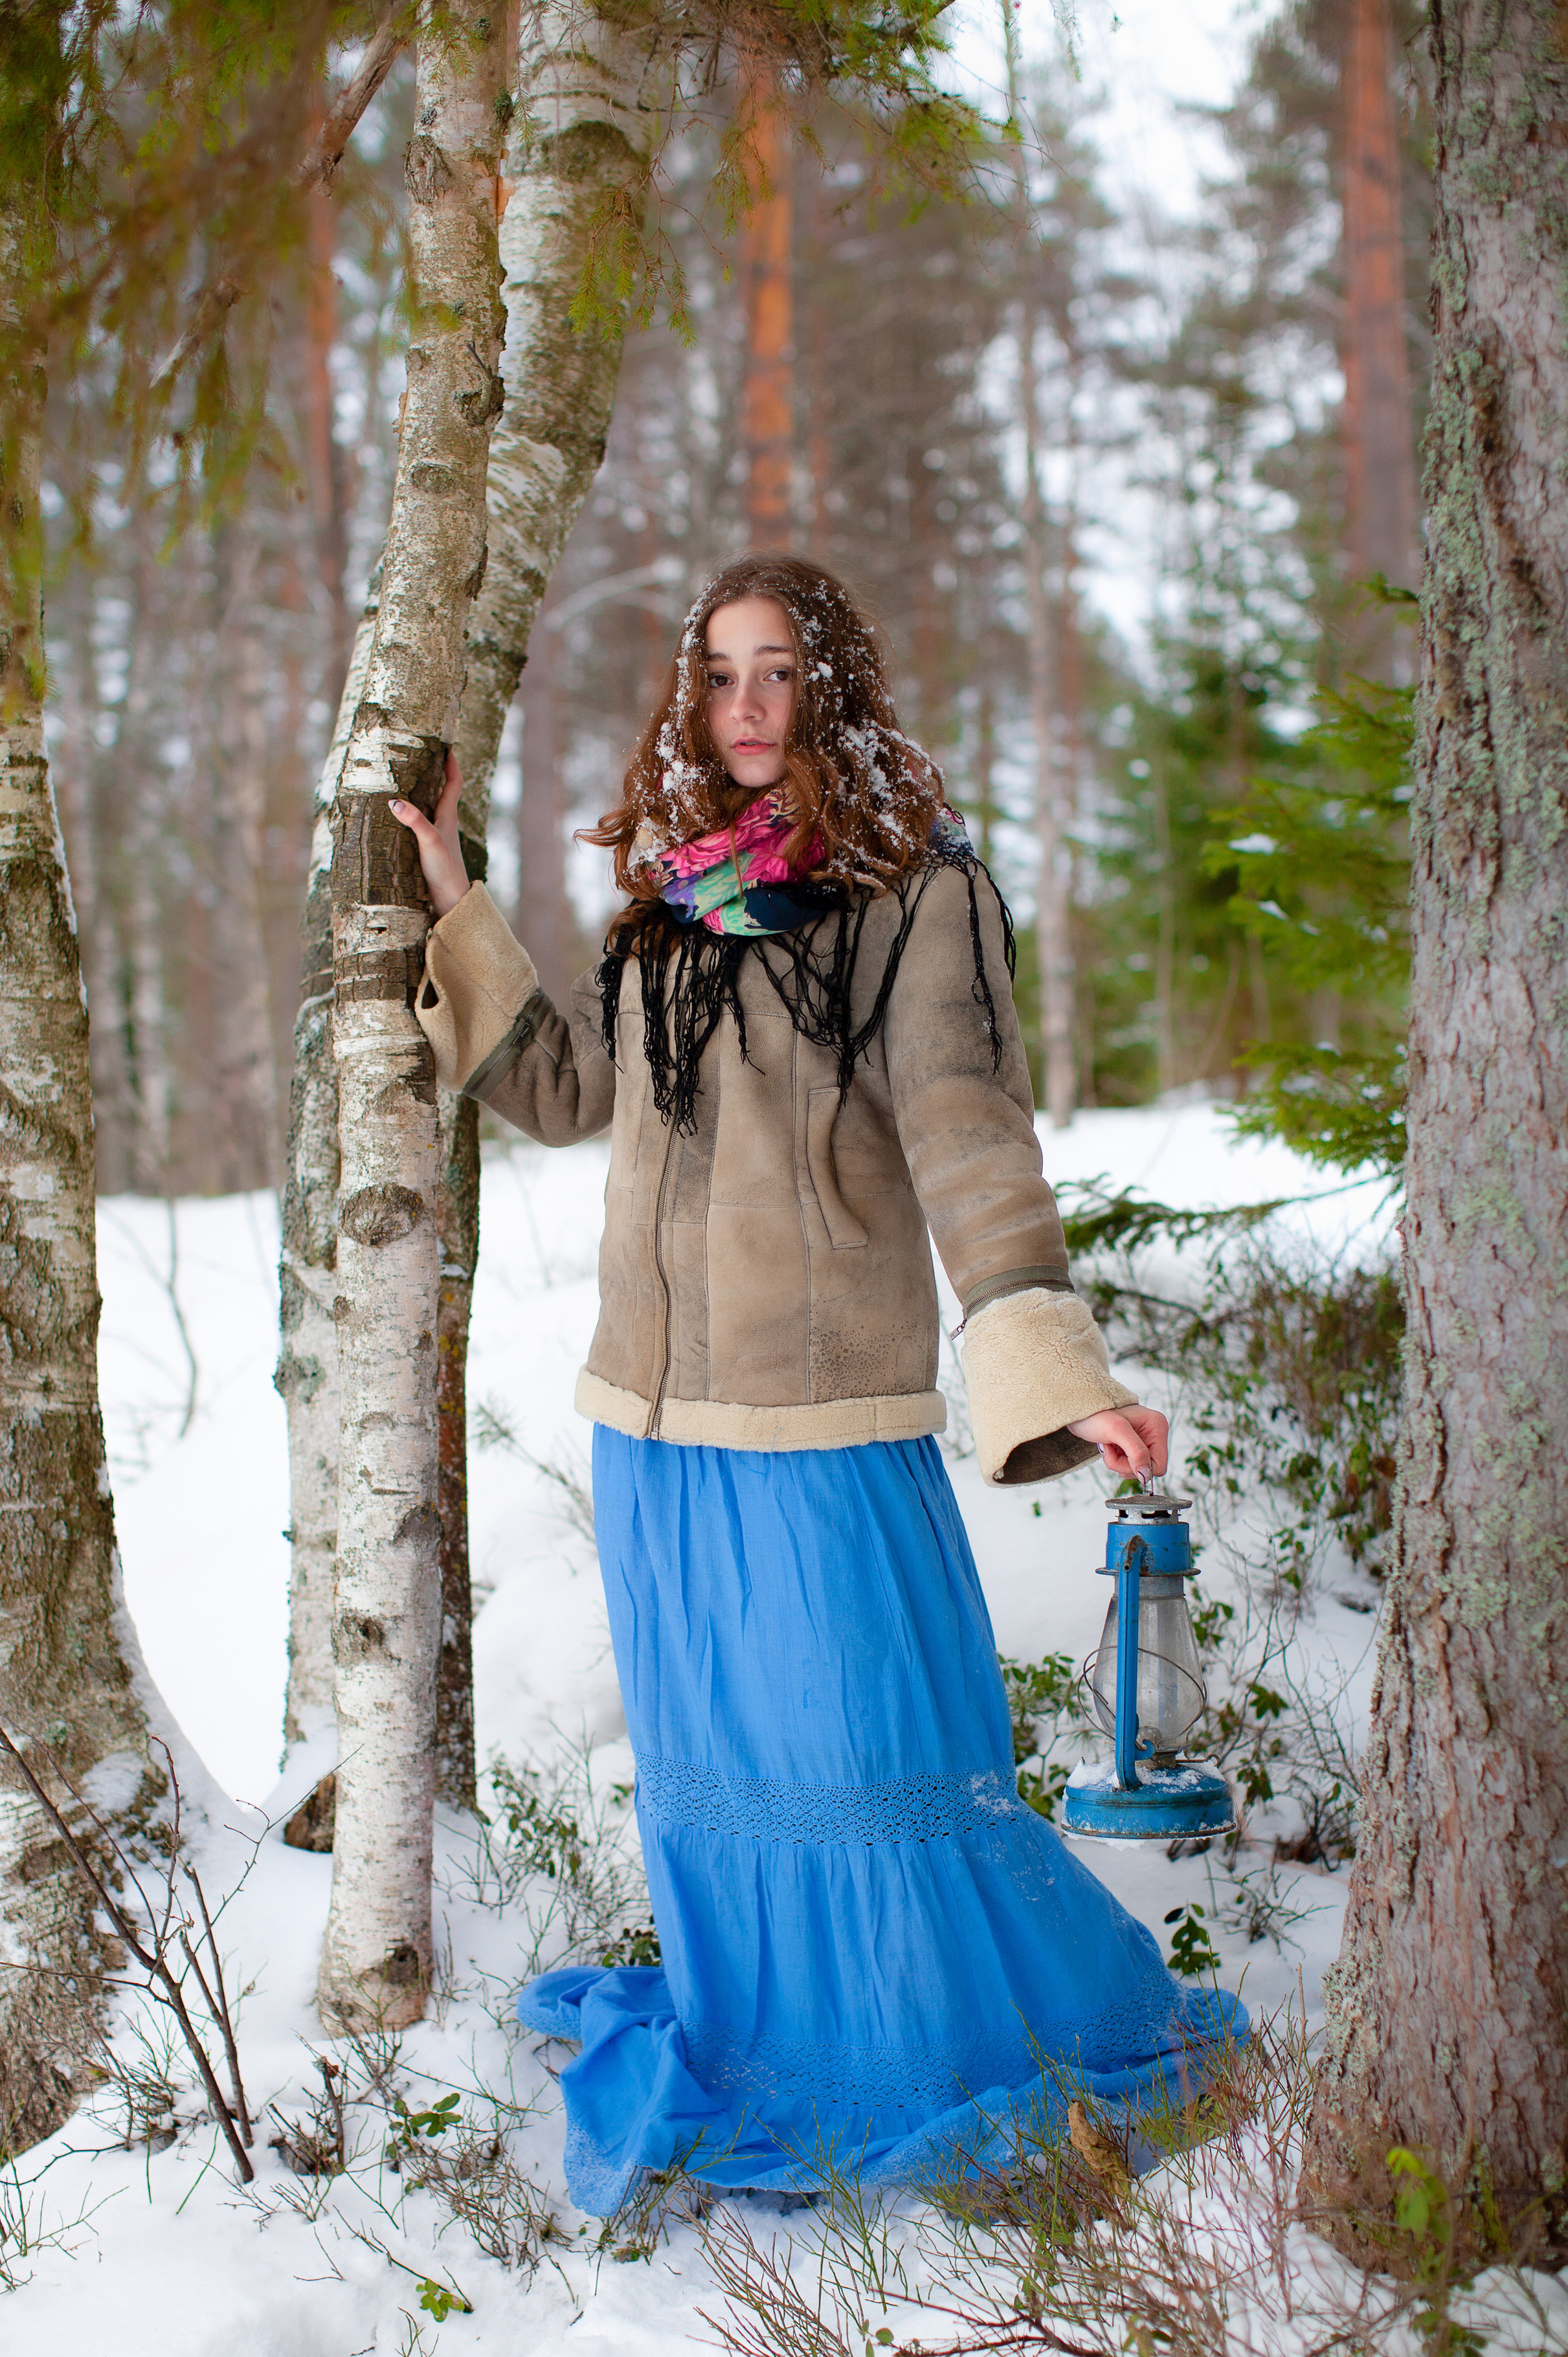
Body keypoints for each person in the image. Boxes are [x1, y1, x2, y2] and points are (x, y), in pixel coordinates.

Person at [395, 555, 1247, 2217]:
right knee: (718, 1779)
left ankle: (916, 2052)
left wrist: (1049, 1368)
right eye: (717, 676)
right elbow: (572, 1093)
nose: (747, 709)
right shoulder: (669, 897)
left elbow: (967, 1136)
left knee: (864, 1757)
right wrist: (451, 901)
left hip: (821, 1426)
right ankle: (766, 2031)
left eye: (779, 672)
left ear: (834, 686)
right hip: (649, 1426)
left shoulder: (917, 894)